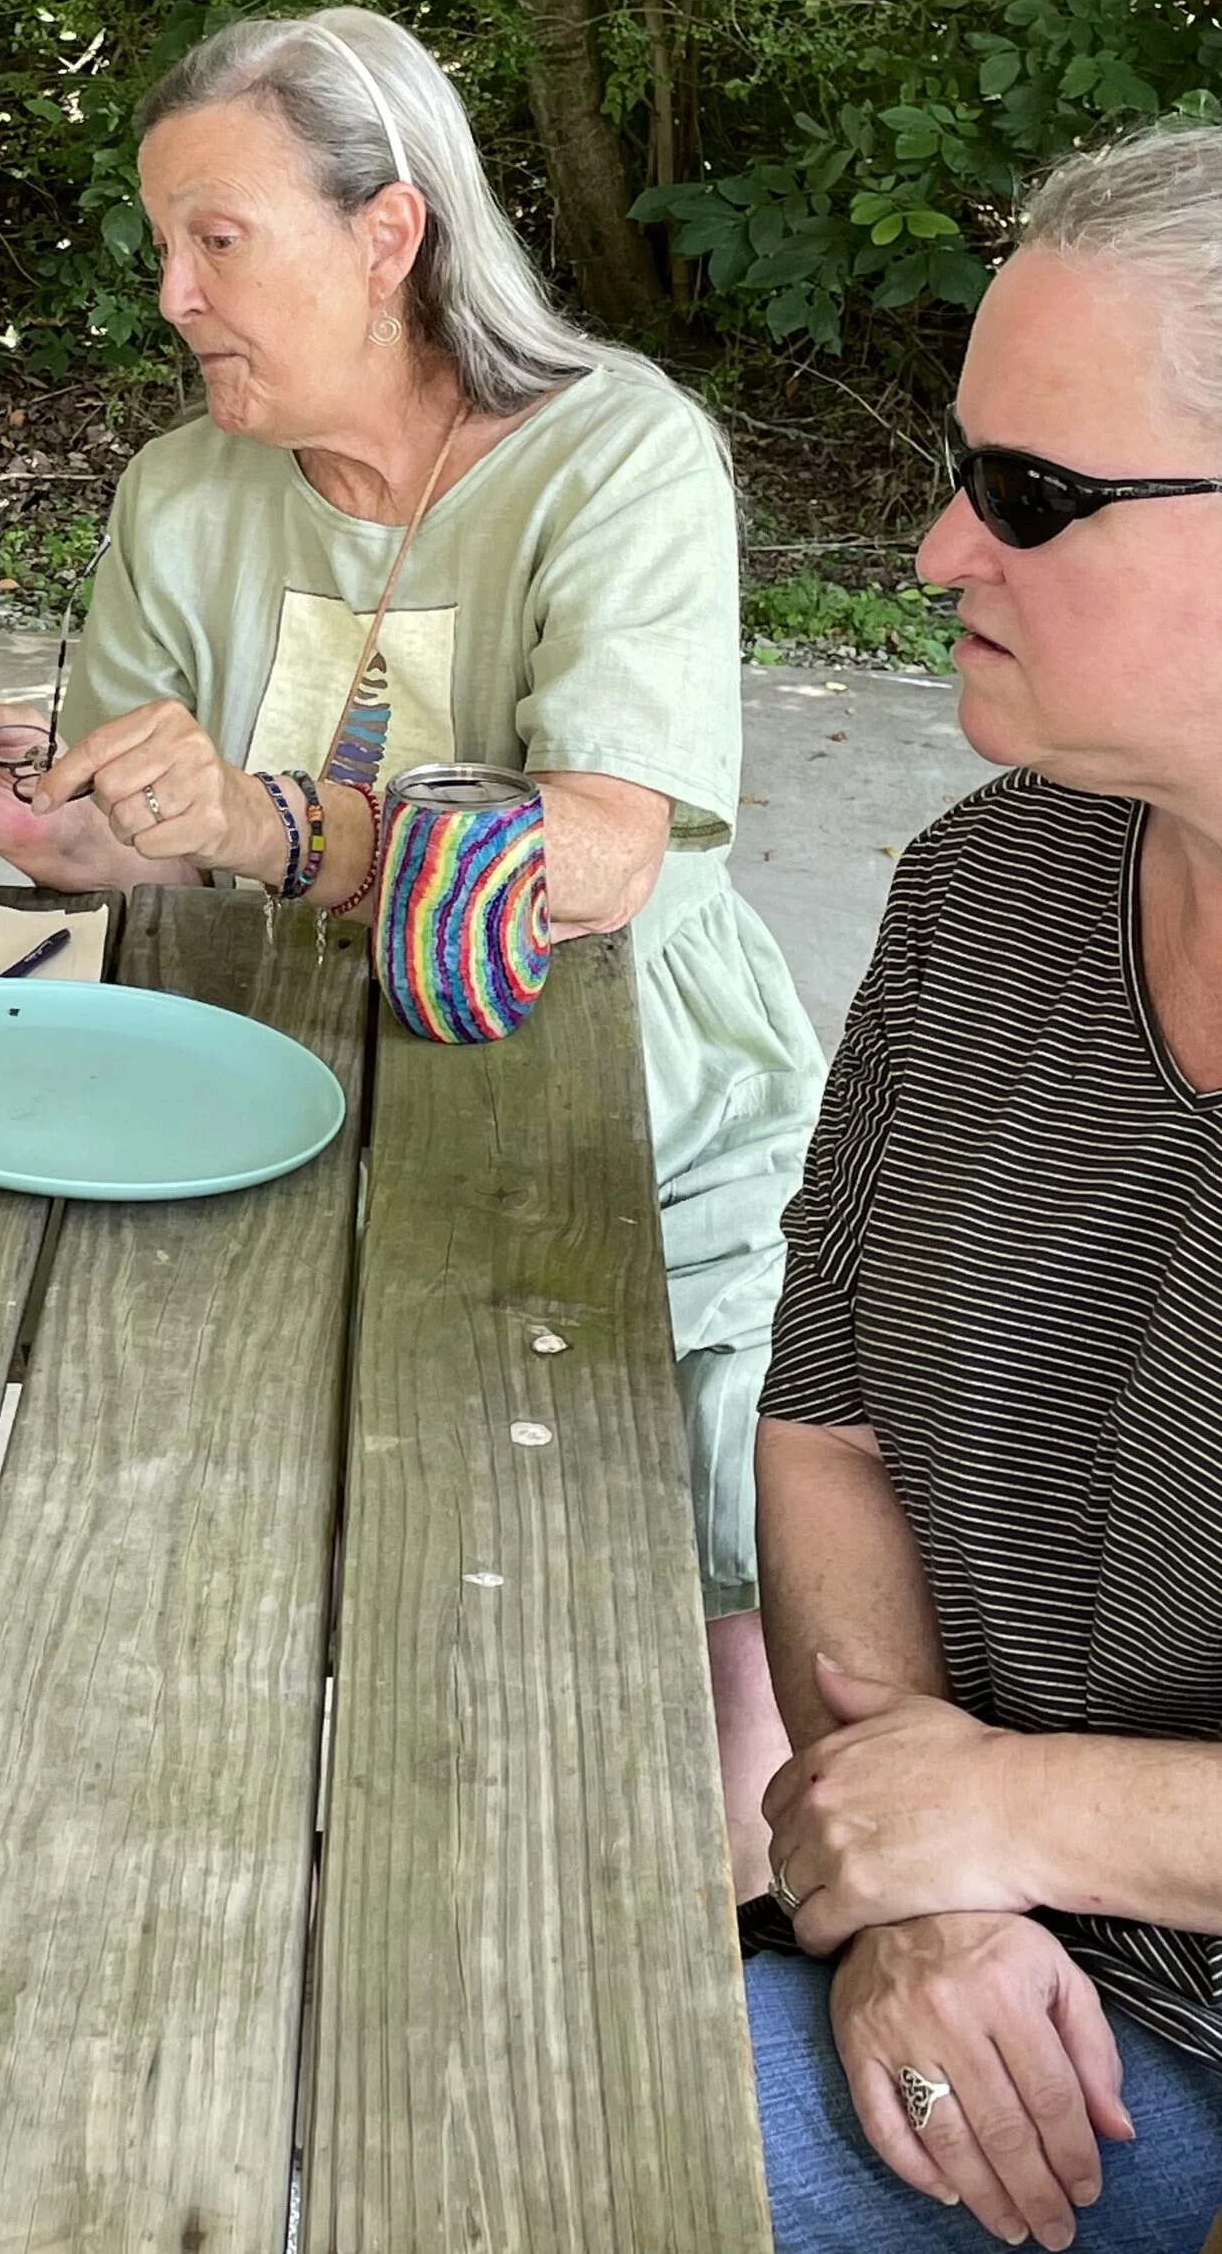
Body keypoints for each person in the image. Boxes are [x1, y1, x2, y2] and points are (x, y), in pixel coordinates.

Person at [0, 4, 825, 1886]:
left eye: (217, 238)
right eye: (161, 242)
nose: (169, 292)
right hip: (275, 1100)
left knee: (736, 1606)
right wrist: (48, 829)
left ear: (390, 232)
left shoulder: (616, 454)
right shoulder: (185, 490)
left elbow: (597, 856)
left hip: (631, 1137)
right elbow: (140, 840)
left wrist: (272, 823)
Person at [749, 121, 1222, 2254]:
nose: (938, 546)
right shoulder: (983, 885)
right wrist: (900, 1887)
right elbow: (824, 1424)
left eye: (1030, 493)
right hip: (956, 1926)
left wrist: (1002, 1816)